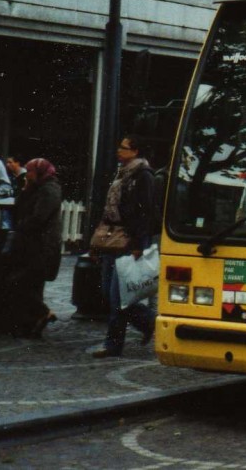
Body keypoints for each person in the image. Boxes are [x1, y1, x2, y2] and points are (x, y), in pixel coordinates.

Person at [92, 134, 156, 358]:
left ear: (135, 151)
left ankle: (113, 344)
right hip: (114, 239)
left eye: (124, 147)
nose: (119, 150)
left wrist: (139, 243)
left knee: (118, 296)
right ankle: (149, 322)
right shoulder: (122, 173)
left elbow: (145, 212)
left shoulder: (143, 176)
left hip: (128, 241)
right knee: (114, 295)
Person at [7, 158, 62, 338]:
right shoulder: (36, 187)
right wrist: (25, 189)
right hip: (32, 245)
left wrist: (22, 225)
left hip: (43, 246)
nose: (27, 174)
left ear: (39, 172)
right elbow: (19, 207)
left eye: (30, 171)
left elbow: (39, 218)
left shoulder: (50, 190)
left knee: (21, 281)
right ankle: (33, 324)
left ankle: (43, 312)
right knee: (31, 284)